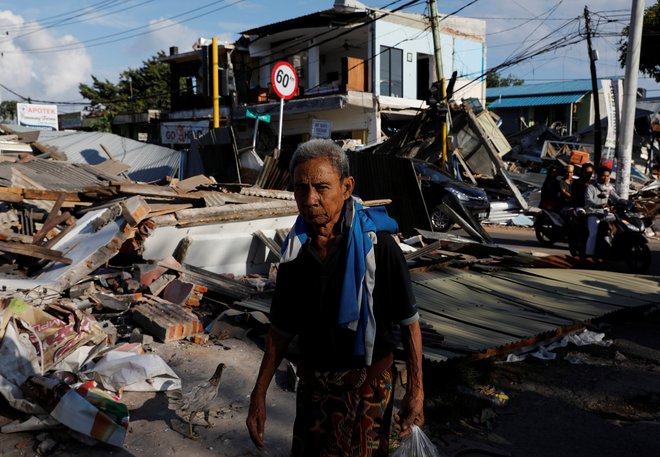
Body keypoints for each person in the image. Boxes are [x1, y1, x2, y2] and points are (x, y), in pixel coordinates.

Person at [246, 139, 424, 456]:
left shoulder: (379, 247)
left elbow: (410, 323)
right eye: (302, 189)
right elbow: (281, 330)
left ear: (346, 187)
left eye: (321, 187)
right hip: (313, 388)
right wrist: (258, 394)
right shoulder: (294, 253)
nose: (311, 199)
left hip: (367, 387)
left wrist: (416, 392)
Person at [583, 166, 626, 259]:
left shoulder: (609, 187)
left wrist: (628, 202)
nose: (605, 178)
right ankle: (589, 254)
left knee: (621, 223)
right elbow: (588, 200)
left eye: (607, 176)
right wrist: (598, 205)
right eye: (603, 176)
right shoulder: (591, 187)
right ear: (598, 176)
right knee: (593, 233)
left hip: (605, 213)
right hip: (593, 213)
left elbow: (617, 198)